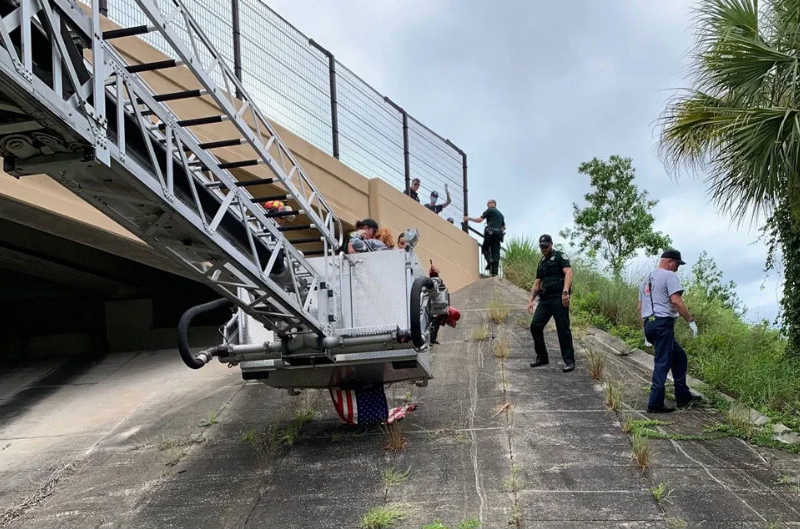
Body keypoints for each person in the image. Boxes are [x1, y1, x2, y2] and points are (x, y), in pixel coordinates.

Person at [638, 249, 701, 413]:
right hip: (662, 323)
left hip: (649, 323)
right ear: (669, 261)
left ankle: (683, 396)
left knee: (679, 357)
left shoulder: (646, 279)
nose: (677, 268)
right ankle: (655, 403)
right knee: (662, 363)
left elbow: (640, 307)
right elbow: (676, 301)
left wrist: (645, 331)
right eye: (677, 264)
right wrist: (690, 321)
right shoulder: (670, 276)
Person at [527, 234, 575, 372]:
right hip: (545, 299)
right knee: (535, 326)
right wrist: (531, 300)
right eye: (541, 247)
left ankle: (569, 361)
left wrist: (565, 292)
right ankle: (542, 357)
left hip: (559, 298)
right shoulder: (541, 262)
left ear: (551, 244)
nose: (543, 249)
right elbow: (537, 283)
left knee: (563, 329)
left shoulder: (559, 256)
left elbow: (569, 272)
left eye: (546, 246)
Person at [464, 199, 505, 276]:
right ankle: (494, 273)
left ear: (493, 204)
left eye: (488, 203)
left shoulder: (489, 210)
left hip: (490, 233)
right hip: (498, 235)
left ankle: (489, 261)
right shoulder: (501, 215)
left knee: (485, 248)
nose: (488, 205)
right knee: (496, 253)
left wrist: (468, 218)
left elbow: (479, 220)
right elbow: (503, 228)